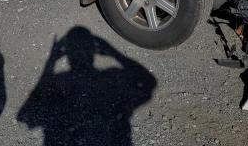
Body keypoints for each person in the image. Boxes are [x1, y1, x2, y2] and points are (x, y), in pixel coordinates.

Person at [18, 26, 157, 146]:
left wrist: (51, 61)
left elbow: (26, 114)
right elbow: (149, 82)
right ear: (94, 52)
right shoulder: (111, 78)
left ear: (66, 54)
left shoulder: (60, 81)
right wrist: (112, 52)